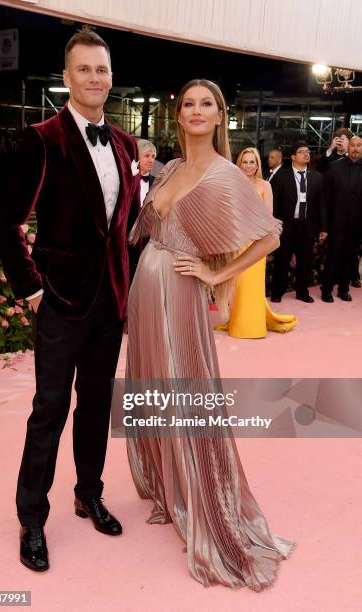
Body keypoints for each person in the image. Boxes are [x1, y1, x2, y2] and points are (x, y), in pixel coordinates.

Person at [126, 79, 295, 590]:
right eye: (189, 104)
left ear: (220, 117)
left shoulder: (224, 176)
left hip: (179, 298)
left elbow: (269, 236)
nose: (197, 111)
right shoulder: (173, 168)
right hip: (143, 295)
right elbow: (141, 230)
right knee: (153, 386)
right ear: (179, 115)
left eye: (208, 105)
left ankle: (203, 498)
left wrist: (217, 274)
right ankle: (168, 484)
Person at [0, 27, 140, 572]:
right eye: (84, 69)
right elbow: (4, 223)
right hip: (59, 299)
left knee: (96, 405)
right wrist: (31, 289)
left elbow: (124, 228)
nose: (95, 78)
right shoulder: (42, 138)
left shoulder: (124, 144)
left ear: (110, 77)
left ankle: (89, 493)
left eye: (102, 69)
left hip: (110, 304)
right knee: (49, 408)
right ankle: (31, 517)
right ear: (67, 76)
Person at [215, 147, 297, 337]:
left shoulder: (264, 186)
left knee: (252, 285)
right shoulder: (231, 185)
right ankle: (236, 323)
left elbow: (268, 216)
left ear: (258, 164)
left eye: (253, 162)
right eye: (245, 161)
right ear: (239, 164)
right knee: (237, 284)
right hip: (235, 241)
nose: (249, 165)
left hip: (256, 242)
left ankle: (252, 326)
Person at [271, 142, 327, 303]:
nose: (306, 154)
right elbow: (274, 203)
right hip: (286, 225)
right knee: (281, 259)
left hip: (307, 225)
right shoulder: (282, 176)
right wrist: (273, 225)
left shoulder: (316, 177)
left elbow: (321, 204)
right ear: (293, 157)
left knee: (305, 260)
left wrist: (323, 227)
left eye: (308, 151)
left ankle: (302, 292)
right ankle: (277, 292)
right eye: (302, 152)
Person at [321, 135, 362, 302]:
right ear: (348, 146)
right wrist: (324, 225)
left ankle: (344, 290)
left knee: (350, 257)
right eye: (353, 145)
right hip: (335, 223)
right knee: (333, 256)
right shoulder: (334, 167)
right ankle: (326, 290)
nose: (355, 148)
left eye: (359, 145)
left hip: (356, 224)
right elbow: (325, 198)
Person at [137, 138, 156, 205]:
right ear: (136, 157)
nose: (151, 160)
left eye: (153, 156)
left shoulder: (157, 182)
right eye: (147, 156)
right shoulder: (126, 180)